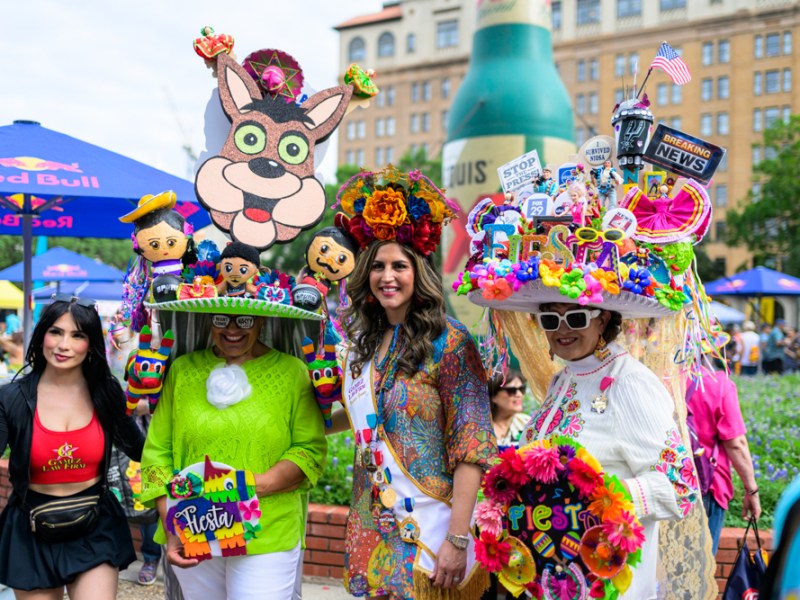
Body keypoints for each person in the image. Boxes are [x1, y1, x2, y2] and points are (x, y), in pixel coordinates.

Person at [330, 166, 496, 599]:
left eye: (399, 266)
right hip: (371, 530)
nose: (388, 276)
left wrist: (457, 541)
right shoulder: (362, 345)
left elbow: (472, 446)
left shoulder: (452, 342)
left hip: (433, 533)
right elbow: (360, 421)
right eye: (378, 266)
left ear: (418, 271)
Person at [140, 302, 327, 599]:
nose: (231, 328)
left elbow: (308, 452)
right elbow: (156, 451)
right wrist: (172, 523)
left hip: (268, 531)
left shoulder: (293, 373)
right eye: (221, 319)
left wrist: (241, 489)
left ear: (262, 320)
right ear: (209, 321)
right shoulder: (183, 370)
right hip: (194, 526)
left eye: (244, 319)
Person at [515, 303, 698, 598]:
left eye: (575, 317)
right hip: (554, 572)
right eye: (550, 319)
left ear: (603, 320)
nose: (562, 329)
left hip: (609, 581)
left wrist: (598, 498)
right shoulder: (562, 380)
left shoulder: (628, 382)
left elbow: (680, 485)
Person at [0, 295, 144, 598]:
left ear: (90, 343)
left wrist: (159, 403)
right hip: (31, 528)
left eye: (77, 335)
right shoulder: (11, 398)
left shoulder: (106, 393)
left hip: (94, 524)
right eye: (56, 331)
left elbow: (141, 450)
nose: (63, 345)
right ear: (41, 337)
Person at [687, 362, 761, 555]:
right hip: (707, 486)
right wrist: (751, 490)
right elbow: (736, 444)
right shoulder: (717, 382)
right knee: (699, 569)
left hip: (664, 483)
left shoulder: (661, 378)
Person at [488, 370, 529, 449]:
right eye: (511, 391)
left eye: (521, 389)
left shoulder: (527, 423)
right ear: (493, 396)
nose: (519, 395)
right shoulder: (481, 428)